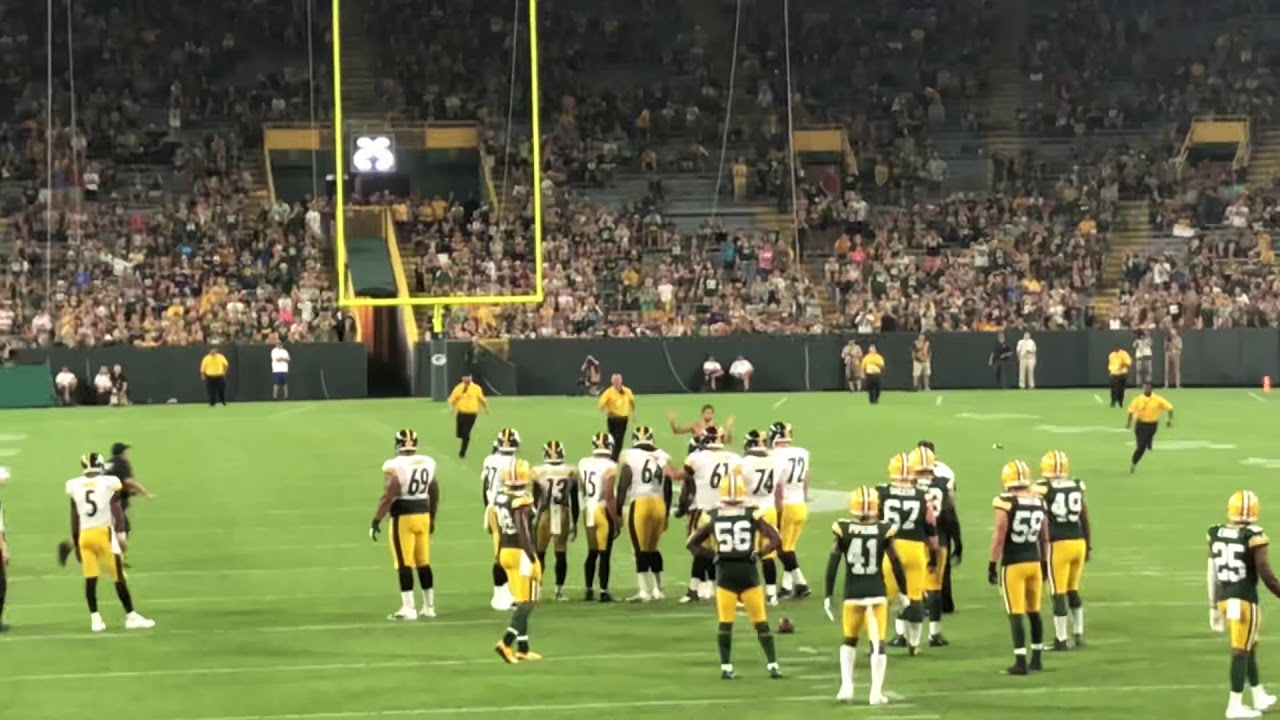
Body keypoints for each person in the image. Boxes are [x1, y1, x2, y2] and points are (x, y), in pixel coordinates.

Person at [685, 466, 783, 680]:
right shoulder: (752, 513)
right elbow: (776, 539)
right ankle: (773, 665)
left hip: (725, 573)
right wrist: (760, 553)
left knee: (725, 624)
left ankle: (726, 668)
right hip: (748, 571)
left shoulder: (712, 515)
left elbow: (691, 543)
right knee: (761, 623)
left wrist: (713, 556)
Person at [825, 486, 908, 705]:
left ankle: (846, 686)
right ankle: (875, 692)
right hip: (876, 592)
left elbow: (833, 563)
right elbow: (896, 562)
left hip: (852, 592)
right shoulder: (884, 529)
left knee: (849, 640)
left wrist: (827, 594)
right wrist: (904, 591)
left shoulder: (843, 528)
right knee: (878, 643)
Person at [1208, 490, 1280, 718]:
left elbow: (1212, 571)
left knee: (1249, 646)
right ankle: (1235, 705)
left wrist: (1213, 605)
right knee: (1241, 651)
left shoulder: (1216, 533)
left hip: (1225, 597)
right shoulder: (1253, 535)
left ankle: (1258, 695)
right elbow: (1265, 573)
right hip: (1245, 601)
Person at [65, 453, 155, 633]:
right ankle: (131, 616)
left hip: (84, 536)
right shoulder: (108, 482)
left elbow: (74, 517)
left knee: (90, 578)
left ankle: (95, 619)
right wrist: (121, 535)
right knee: (119, 577)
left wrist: (76, 543)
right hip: (103, 535)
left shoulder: (74, 485)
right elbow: (116, 509)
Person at [369, 428, 439, 620]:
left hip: (404, 517)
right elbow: (434, 490)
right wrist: (432, 516)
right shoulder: (427, 462)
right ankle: (429, 606)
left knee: (404, 563)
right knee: (423, 562)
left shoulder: (395, 465)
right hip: (423, 515)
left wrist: (377, 518)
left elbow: (389, 493)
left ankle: (408, 608)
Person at [988, 459, 1048, 675]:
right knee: (1034, 612)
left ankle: (1020, 661)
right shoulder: (1038, 501)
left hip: (1014, 562)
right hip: (1034, 561)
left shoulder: (1005, 501)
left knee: (1016, 613)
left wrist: (992, 562)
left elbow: (1000, 533)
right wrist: (1044, 561)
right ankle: (1037, 658)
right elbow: (1044, 536)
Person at [878, 451, 938, 654]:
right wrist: (934, 552)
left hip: (890, 548)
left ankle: (877, 641)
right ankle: (914, 644)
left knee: (882, 599)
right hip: (915, 549)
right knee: (915, 598)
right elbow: (930, 527)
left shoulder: (881, 492)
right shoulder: (922, 495)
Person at [1033, 450, 1090, 650]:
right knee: (1072, 589)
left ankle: (1061, 639)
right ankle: (1078, 632)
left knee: (1058, 592)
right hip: (1079, 541)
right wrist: (1088, 544)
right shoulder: (1076, 484)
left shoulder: (1043, 487)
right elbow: (1084, 515)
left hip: (1058, 543)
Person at [679, 426, 740, 603]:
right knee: (723, 549)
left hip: (703, 511)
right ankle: (715, 586)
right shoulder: (735, 459)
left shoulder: (695, 458)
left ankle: (695, 589)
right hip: (726, 512)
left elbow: (688, 487)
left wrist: (682, 507)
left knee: (698, 549)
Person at [492, 462, 542, 664]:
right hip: (520, 551)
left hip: (505, 550)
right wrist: (530, 555)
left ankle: (523, 648)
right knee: (529, 601)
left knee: (521, 599)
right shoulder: (521, 501)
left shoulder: (500, 498)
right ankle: (506, 642)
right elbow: (522, 527)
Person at [616, 426, 673, 602]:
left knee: (639, 549)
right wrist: (667, 511)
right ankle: (658, 589)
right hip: (659, 503)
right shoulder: (662, 455)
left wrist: (618, 509)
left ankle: (644, 591)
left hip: (640, 502)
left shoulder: (629, 455)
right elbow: (669, 485)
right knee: (653, 549)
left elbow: (624, 482)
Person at [912, 444, 960, 646]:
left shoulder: (908, 485)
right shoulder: (942, 484)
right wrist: (958, 542)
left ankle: (906, 635)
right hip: (939, 539)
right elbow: (950, 514)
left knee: (909, 587)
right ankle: (934, 633)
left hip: (914, 540)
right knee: (935, 588)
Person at [482, 429, 528, 610]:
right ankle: (506, 595)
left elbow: (484, 486)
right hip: (508, 507)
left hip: (493, 507)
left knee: (499, 550)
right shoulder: (517, 463)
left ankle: (501, 594)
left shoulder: (489, 460)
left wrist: (488, 507)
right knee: (511, 550)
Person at [532, 440, 578, 602]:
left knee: (539, 553)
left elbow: (535, 497)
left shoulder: (538, 471)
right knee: (560, 552)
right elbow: (575, 500)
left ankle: (536, 589)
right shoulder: (570, 471)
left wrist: (533, 518)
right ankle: (559, 591)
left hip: (545, 513)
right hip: (563, 512)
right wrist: (575, 522)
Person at [770, 422, 812, 600]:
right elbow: (806, 478)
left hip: (787, 505)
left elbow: (778, 486)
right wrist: (804, 496)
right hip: (800, 505)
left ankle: (801, 583)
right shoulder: (802, 452)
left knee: (781, 550)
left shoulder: (775, 456)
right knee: (789, 548)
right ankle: (787, 586)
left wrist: (778, 509)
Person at [740, 429, 782, 605]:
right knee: (769, 555)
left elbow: (739, 485)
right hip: (770, 507)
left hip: (752, 510)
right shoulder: (775, 460)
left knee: (746, 552)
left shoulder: (745, 462)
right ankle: (772, 594)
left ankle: (746, 593)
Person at [578, 432, 619, 601]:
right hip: (602, 510)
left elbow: (580, 488)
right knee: (604, 553)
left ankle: (588, 588)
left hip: (587, 509)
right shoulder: (611, 466)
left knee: (592, 552)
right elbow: (609, 495)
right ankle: (603, 590)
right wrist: (616, 520)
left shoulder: (583, 463)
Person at [105, 443, 154, 566]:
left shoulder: (108, 464)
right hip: (114, 503)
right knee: (124, 528)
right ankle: (117, 557)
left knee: (114, 528)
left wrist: (130, 493)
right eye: (126, 451)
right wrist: (145, 493)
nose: (128, 454)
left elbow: (118, 483)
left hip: (103, 501)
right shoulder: (122, 463)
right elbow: (129, 481)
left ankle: (116, 556)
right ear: (122, 453)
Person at [1126, 383, 1173, 473]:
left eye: (1148, 388)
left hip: (1152, 425)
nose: (1146, 390)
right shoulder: (1138, 399)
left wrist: (1169, 420)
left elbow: (1170, 407)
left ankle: (1149, 442)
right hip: (1140, 425)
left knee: (1148, 437)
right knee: (1141, 447)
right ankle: (1134, 462)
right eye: (1144, 388)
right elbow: (1131, 411)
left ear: (1152, 389)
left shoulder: (1157, 399)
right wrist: (1129, 422)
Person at [448, 375, 488, 458]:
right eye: (465, 378)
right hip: (461, 413)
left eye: (468, 377)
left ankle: (462, 452)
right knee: (459, 434)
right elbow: (452, 399)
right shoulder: (458, 388)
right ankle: (463, 437)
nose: (467, 379)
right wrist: (451, 407)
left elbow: (481, 399)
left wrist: (486, 408)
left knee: (466, 433)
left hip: (471, 414)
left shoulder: (476, 388)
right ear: (462, 379)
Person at [668, 405, 734, 454]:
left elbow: (726, 441)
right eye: (707, 413)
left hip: (711, 454)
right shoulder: (695, 426)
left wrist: (728, 428)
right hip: (696, 453)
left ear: (713, 415)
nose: (709, 415)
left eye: (710, 413)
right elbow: (677, 431)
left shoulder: (717, 428)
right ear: (702, 414)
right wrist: (672, 423)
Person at [597, 374, 635, 462]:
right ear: (612, 382)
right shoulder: (608, 392)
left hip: (623, 419)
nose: (617, 383)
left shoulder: (627, 391)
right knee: (612, 438)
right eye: (615, 381)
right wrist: (607, 410)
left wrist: (633, 414)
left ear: (621, 381)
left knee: (620, 438)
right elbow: (601, 405)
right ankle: (612, 454)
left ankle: (615, 457)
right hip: (613, 419)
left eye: (618, 381)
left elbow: (632, 402)